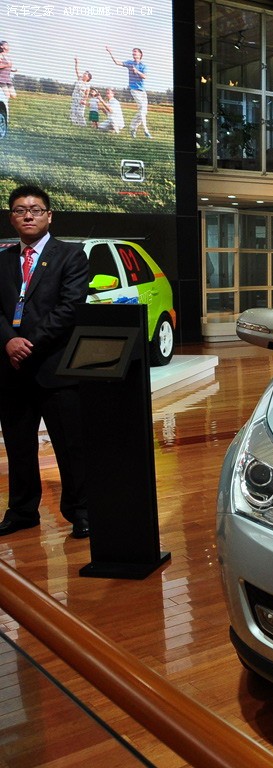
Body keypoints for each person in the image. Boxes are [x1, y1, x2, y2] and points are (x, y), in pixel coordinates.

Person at [0, 185, 90, 539]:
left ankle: (81, 512)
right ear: (12, 218)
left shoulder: (71, 255)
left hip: (56, 368)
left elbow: (70, 308)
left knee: (71, 446)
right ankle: (22, 511)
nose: (28, 215)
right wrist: (8, 341)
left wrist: (29, 344)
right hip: (11, 370)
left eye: (35, 210)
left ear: (49, 216)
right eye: (20, 210)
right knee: (18, 446)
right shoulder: (3, 259)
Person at [106, 45, 150, 138]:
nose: (133, 53)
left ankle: (133, 128)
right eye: (133, 52)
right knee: (142, 108)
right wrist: (110, 52)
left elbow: (145, 76)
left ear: (140, 54)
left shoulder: (143, 65)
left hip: (142, 91)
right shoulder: (130, 63)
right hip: (134, 90)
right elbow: (117, 62)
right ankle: (146, 131)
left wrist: (137, 71)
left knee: (143, 112)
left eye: (135, 52)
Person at [69, 58, 92, 127]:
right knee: (73, 111)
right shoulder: (79, 79)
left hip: (81, 99)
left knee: (80, 113)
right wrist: (76, 62)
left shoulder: (88, 85)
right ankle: (75, 124)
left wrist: (84, 100)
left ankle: (83, 125)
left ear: (88, 78)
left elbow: (87, 94)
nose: (84, 74)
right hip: (74, 98)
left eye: (86, 74)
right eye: (84, 73)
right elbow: (76, 70)